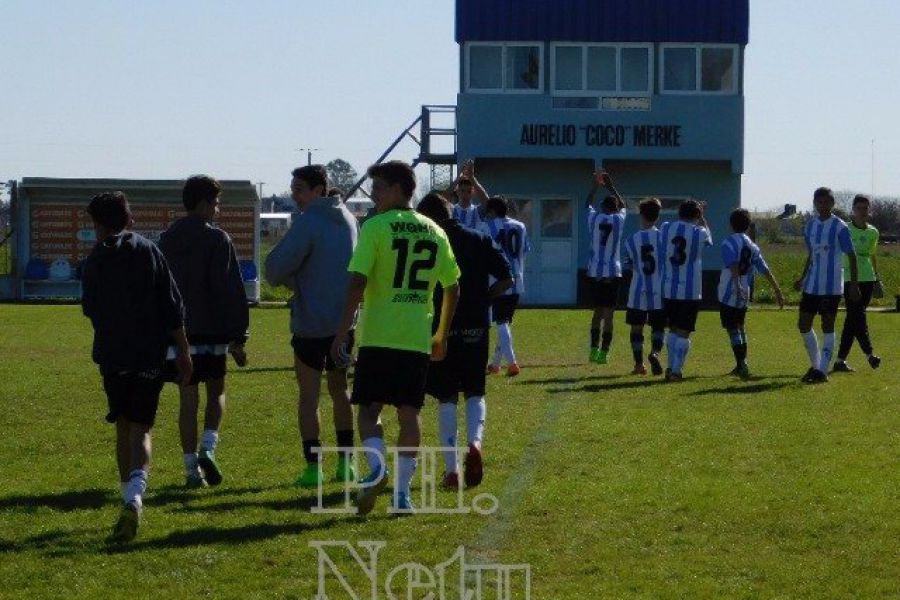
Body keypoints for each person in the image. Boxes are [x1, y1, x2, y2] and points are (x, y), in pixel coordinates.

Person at [331, 161, 460, 514]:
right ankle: (402, 496)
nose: (373, 196)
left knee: (368, 411)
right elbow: (452, 287)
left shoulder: (375, 227)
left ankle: (377, 468)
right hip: (416, 338)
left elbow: (357, 282)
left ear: (399, 189)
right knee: (409, 414)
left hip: (378, 337)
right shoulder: (435, 230)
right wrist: (441, 335)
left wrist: (342, 332)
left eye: (379, 188)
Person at [81, 191, 192, 543]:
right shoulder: (149, 251)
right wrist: (184, 351)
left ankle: (126, 498)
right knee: (141, 430)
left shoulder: (95, 259)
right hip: (149, 354)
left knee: (122, 426)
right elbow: (173, 305)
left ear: (96, 225)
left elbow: (89, 308)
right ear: (130, 219)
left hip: (113, 355)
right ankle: (135, 497)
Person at [265, 165, 359, 487]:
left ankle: (313, 468)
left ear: (319, 190)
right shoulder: (350, 219)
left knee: (308, 397)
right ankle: (347, 465)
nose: (294, 194)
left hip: (310, 325)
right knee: (340, 391)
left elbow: (274, 269)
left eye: (300, 188)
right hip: (344, 323)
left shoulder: (309, 220)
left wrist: (299, 282)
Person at [417, 192, 513, 490]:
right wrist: (484, 298)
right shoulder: (478, 239)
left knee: (446, 395)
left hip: (439, 326)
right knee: (475, 391)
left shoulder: (426, 242)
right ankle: (475, 442)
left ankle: (451, 470)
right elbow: (507, 278)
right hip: (475, 324)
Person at [158, 175, 249, 489]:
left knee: (187, 400)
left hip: (179, 331)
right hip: (212, 331)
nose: (219, 209)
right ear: (204, 203)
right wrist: (238, 333)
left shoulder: (167, 238)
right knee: (217, 392)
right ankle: (208, 448)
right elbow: (230, 288)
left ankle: (189, 470)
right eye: (217, 203)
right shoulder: (217, 239)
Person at [795, 188, 861, 383]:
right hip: (812, 285)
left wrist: (854, 284)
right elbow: (812, 255)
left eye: (827, 202)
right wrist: (803, 277)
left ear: (832, 204)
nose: (823, 205)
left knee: (827, 325)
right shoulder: (809, 226)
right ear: (815, 203)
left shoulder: (840, 227)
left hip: (831, 286)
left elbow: (851, 255)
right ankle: (816, 366)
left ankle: (822, 371)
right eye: (820, 202)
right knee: (803, 324)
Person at [717, 208, 785, 378]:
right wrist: (777, 289)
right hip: (745, 290)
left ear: (731, 225)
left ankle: (741, 365)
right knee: (740, 327)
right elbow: (764, 269)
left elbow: (733, 266)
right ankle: (742, 363)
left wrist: (736, 285)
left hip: (729, 290)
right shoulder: (752, 246)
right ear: (748, 226)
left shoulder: (728, 243)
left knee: (733, 329)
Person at [660, 199, 713, 382]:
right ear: (697, 215)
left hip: (669, 287)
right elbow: (709, 240)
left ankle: (669, 367)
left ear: (679, 213)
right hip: (690, 290)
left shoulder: (666, 228)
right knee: (684, 331)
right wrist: (702, 217)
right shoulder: (699, 232)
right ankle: (676, 371)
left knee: (673, 329)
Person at [480, 195, 529, 376]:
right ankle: (495, 364)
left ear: (492, 211)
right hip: (517, 279)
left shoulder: (487, 226)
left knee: (501, 323)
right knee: (505, 323)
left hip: (498, 280)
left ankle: (513, 363)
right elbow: (525, 251)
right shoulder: (521, 226)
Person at [833, 195, 882, 373]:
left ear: (869, 210)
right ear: (853, 210)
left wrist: (877, 278)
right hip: (849, 278)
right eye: (859, 208)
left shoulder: (873, 232)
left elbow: (872, 255)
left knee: (853, 320)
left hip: (867, 278)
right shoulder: (845, 229)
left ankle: (840, 361)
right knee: (858, 317)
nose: (862, 211)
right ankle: (870, 354)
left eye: (865, 208)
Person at [585, 169, 627, 365]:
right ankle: (604, 352)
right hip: (613, 270)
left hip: (595, 271)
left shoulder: (594, 219)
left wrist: (595, 187)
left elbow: (588, 205)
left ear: (602, 206)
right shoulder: (618, 220)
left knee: (597, 313)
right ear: (616, 208)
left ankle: (593, 350)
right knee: (609, 315)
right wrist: (611, 187)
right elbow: (624, 206)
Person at [622, 198, 666, 376]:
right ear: (657, 216)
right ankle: (655, 353)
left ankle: (639, 364)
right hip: (659, 286)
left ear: (641, 215)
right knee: (658, 326)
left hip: (638, 287)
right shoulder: (663, 237)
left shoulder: (631, 240)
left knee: (636, 326)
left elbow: (629, 265)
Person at [451, 159, 488, 229]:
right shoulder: (451, 209)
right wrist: (457, 178)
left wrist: (472, 178)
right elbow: (442, 199)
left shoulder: (477, 211)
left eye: (469, 191)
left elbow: (487, 203)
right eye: (462, 191)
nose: (465, 194)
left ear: (473, 193)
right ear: (457, 191)